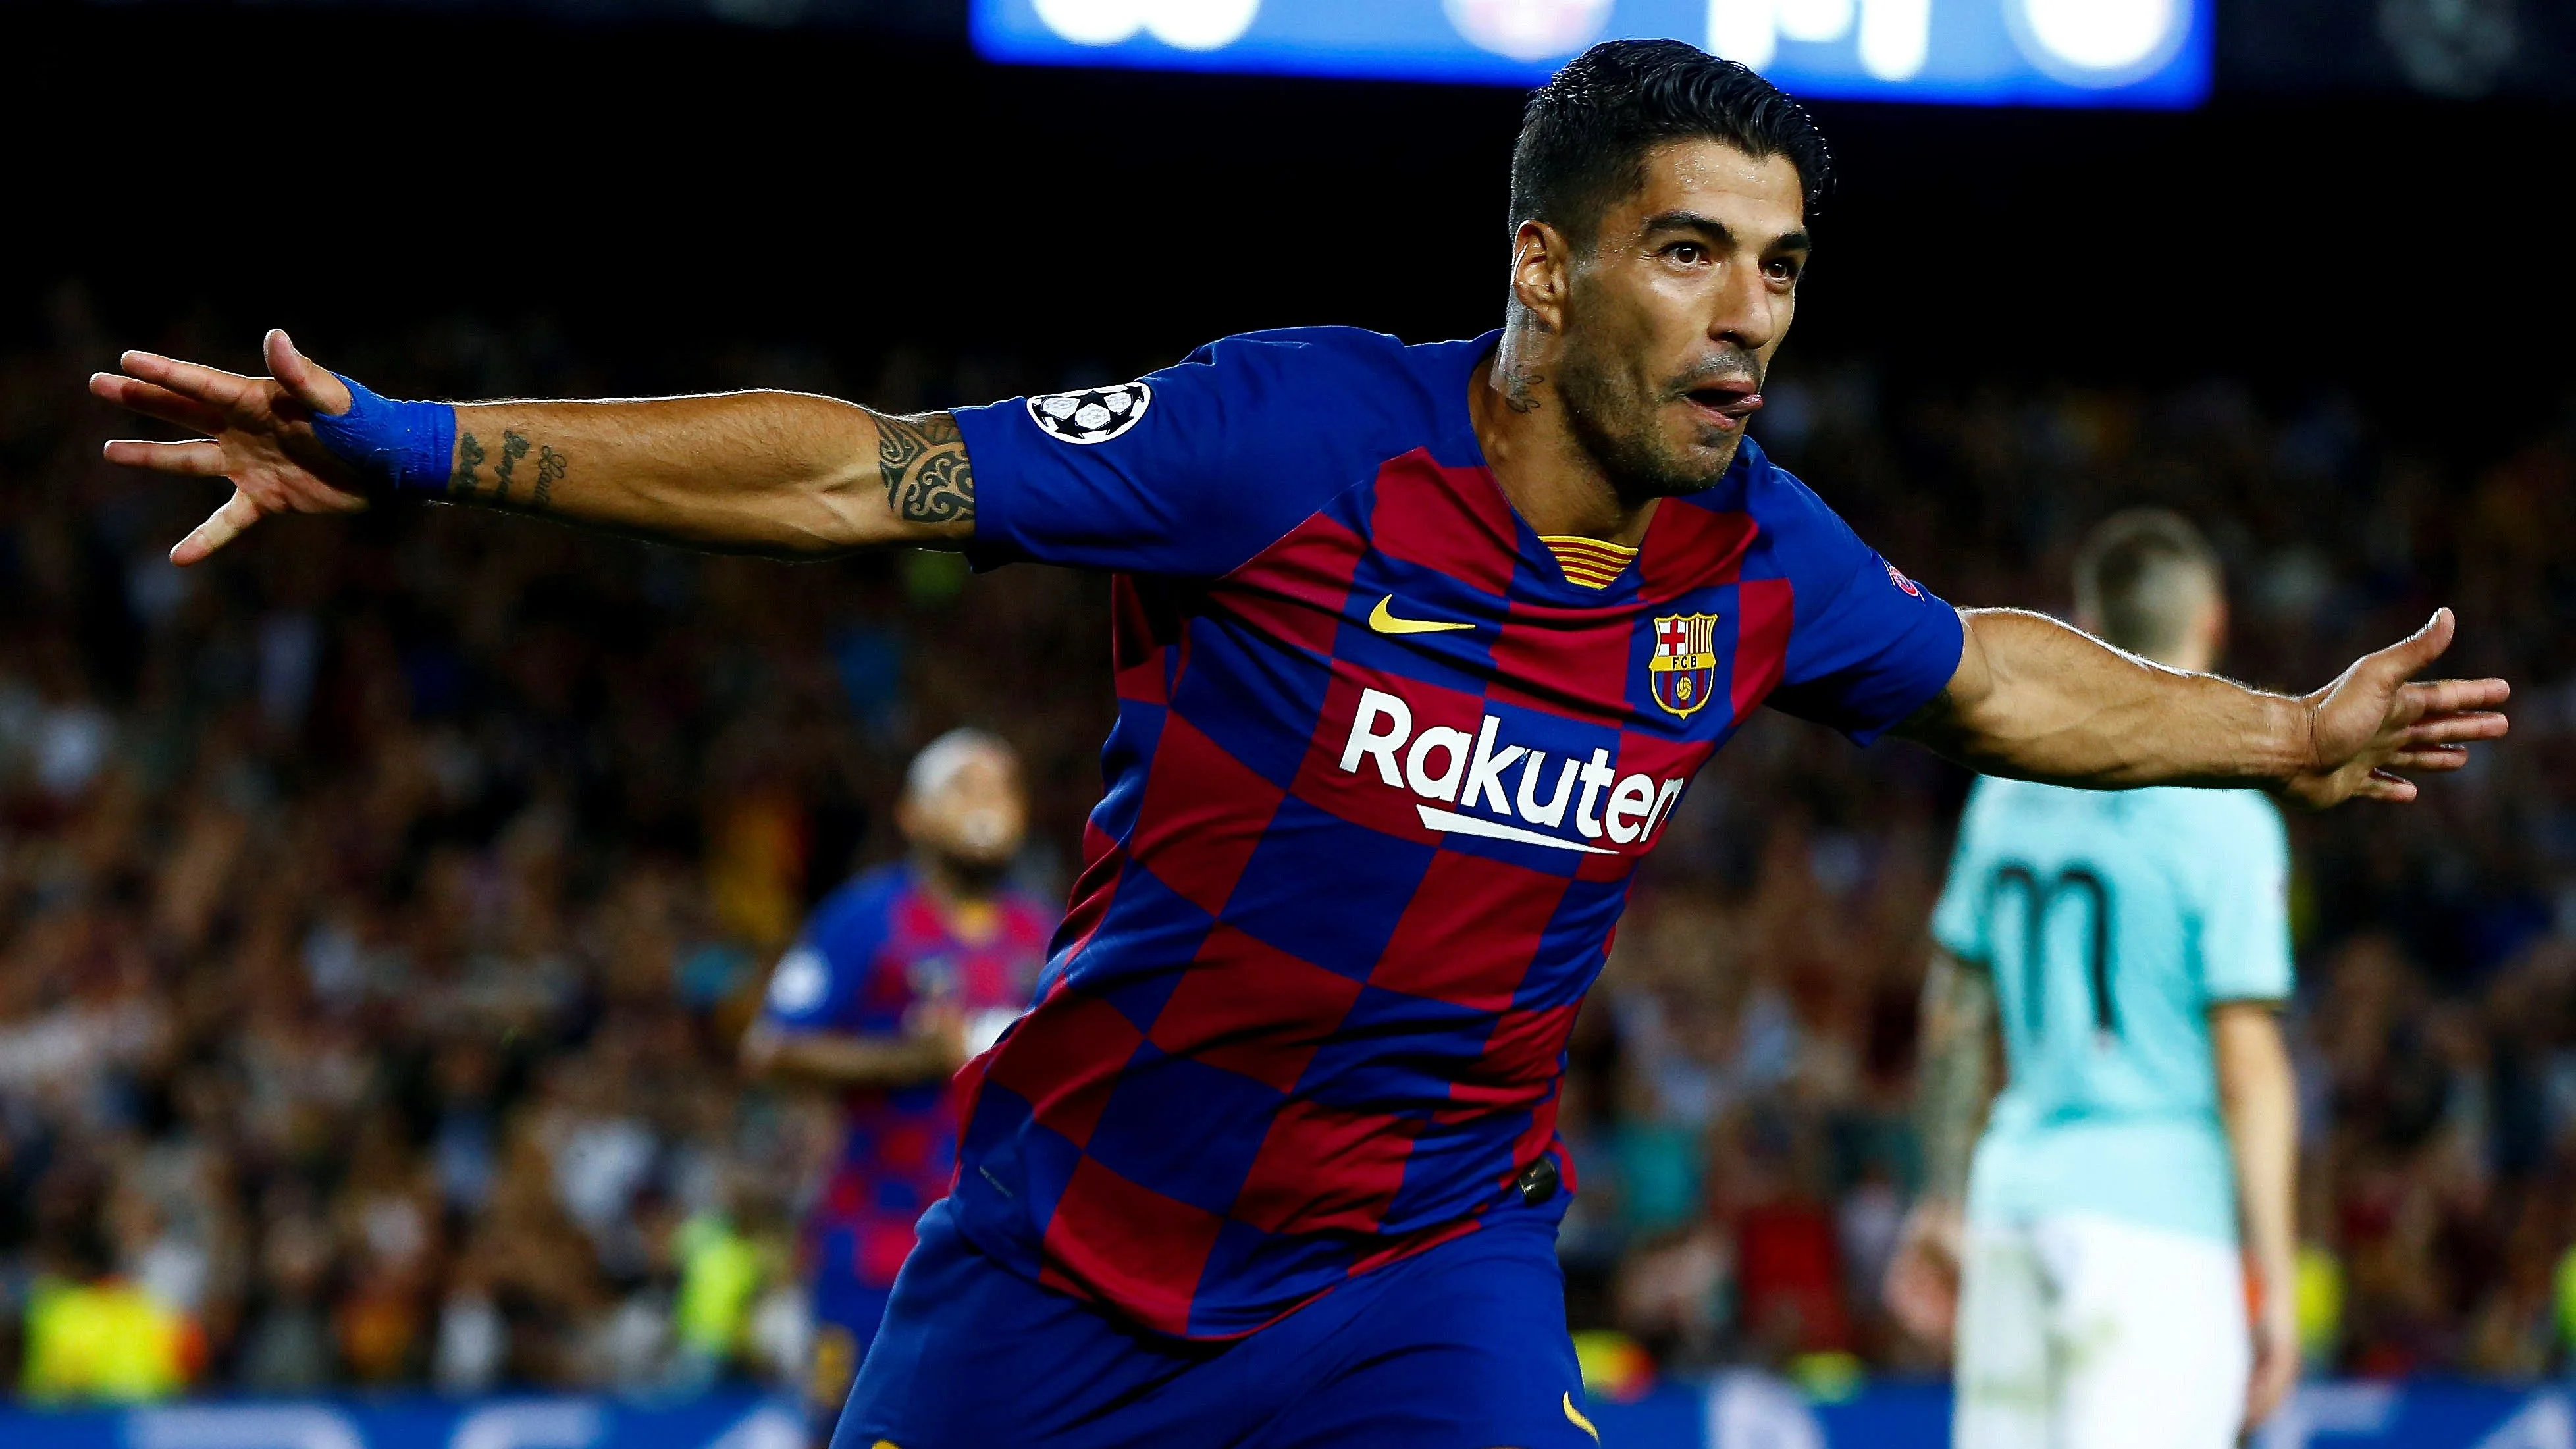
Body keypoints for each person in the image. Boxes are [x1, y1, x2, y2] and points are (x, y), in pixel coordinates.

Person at [92, 38, 2506, 1449]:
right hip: (1063, 1256)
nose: (1745, 318)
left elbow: (1990, 667)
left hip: (1412, 1281)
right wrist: (408, 440)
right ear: (1544, 266)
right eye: (1689, 253)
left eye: (1775, 267)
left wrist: (2279, 725)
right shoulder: (1283, 440)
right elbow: (856, 467)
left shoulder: (1753, 559)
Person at [1882, 510, 2303, 1449]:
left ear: (2082, 627)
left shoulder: (2004, 790)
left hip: (2011, 1206)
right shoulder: (2222, 807)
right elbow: (2250, 1070)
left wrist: (1942, 1197)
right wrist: (2274, 1285)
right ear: (2214, 625)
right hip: (2157, 1226)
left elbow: (1951, 1013)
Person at [739, 729, 1052, 1429]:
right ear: (912, 813)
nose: (988, 806)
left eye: (1003, 789)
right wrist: (905, 1060)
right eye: (966, 787)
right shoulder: (865, 920)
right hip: (877, 1249)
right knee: (852, 1428)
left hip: (1001, 1253)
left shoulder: (1042, 933)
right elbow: (770, 1047)